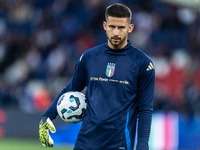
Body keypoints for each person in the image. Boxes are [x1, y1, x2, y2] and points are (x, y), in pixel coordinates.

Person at [39, 3, 155, 150]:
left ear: (130, 28)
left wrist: (143, 144)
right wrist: (47, 116)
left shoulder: (143, 64)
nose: (116, 33)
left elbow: (145, 110)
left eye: (121, 28)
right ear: (105, 25)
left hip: (119, 144)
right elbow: (71, 88)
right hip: (85, 142)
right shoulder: (89, 57)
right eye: (112, 26)